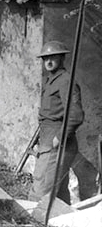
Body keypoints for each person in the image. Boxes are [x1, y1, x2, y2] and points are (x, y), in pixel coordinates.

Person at [31, 40, 84, 204]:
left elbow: (75, 115)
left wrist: (59, 138)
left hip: (58, 144)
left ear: (62, 58)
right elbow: (48, 115)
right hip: (49, 140)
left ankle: (34, 219)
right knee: (59, 195)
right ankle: (61, 218)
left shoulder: (65, 81)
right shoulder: (51, 81)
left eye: (53, 57)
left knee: (40, 193)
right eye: (45, 58)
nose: (48, 61)